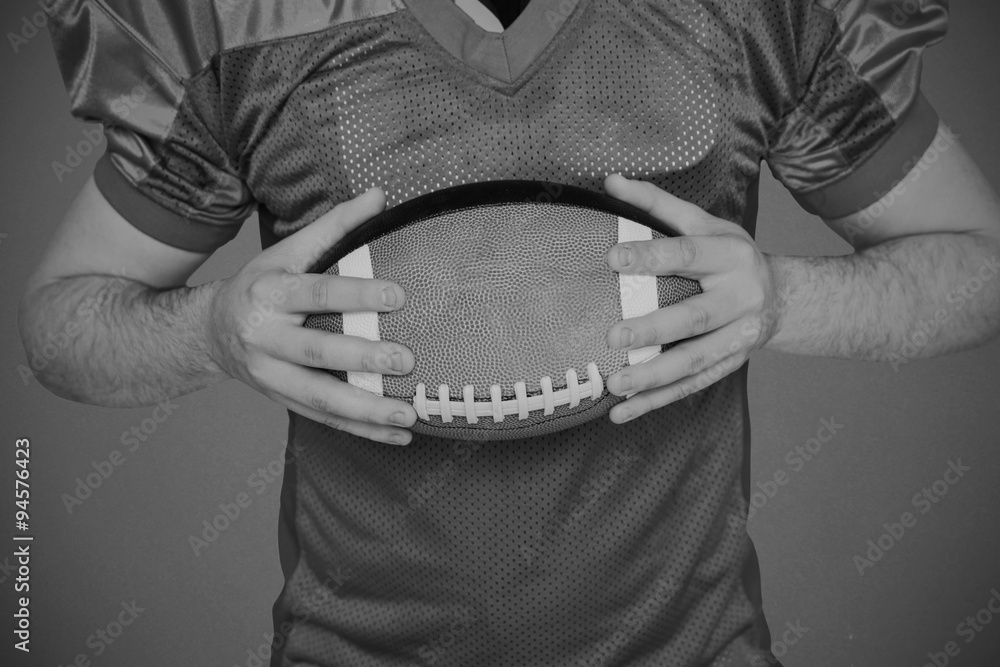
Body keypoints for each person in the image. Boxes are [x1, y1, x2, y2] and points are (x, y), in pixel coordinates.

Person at [21, 0, 1000, 665]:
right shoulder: (242, 20)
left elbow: (980, 267)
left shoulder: (751, 16)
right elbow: (61, 319)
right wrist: (211, 331)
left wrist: (784, 298)